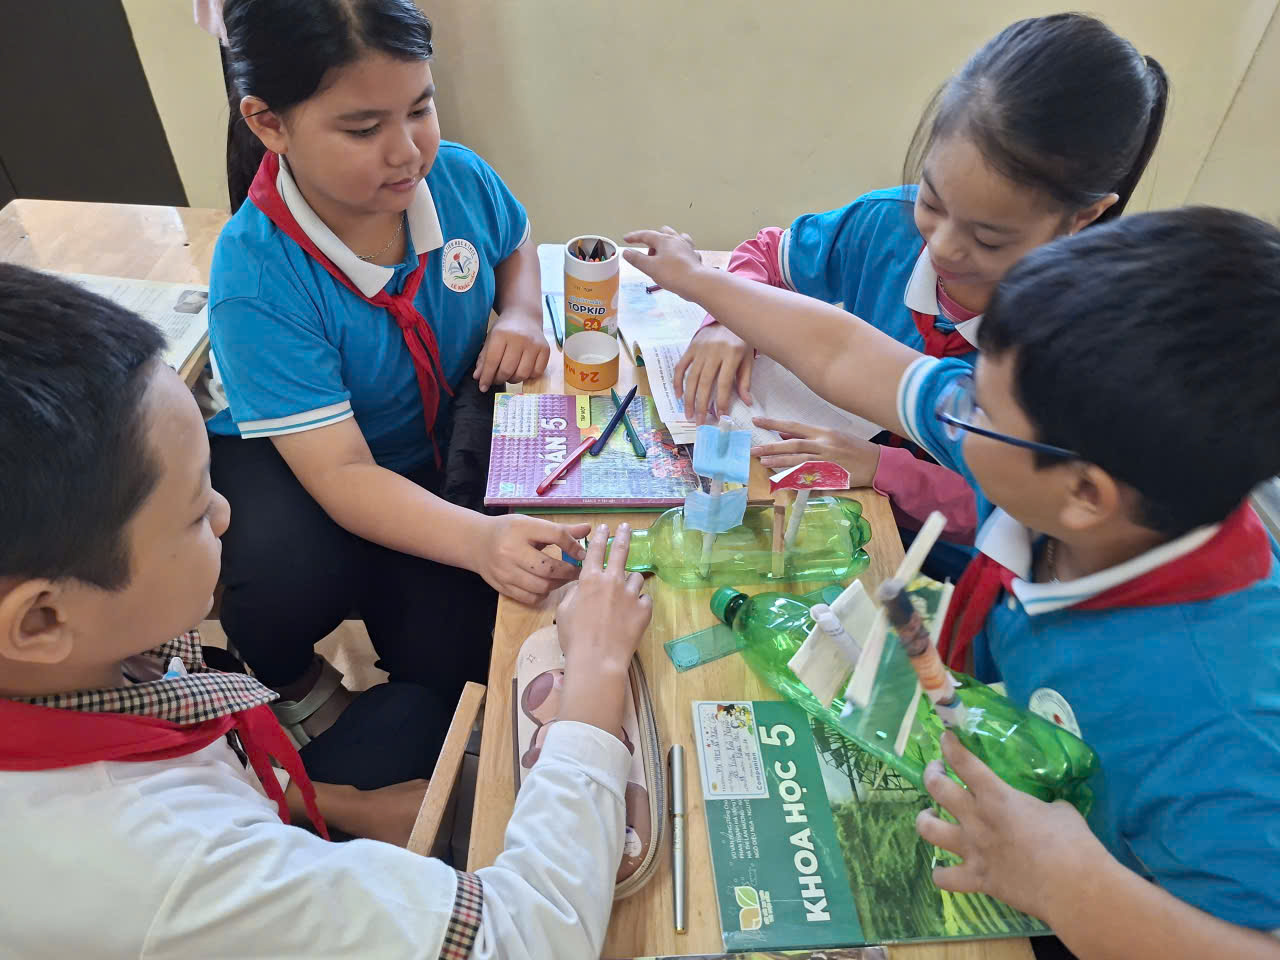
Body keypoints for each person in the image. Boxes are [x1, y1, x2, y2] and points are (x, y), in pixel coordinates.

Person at [624, 210, 1280, 959]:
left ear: (1084, 494)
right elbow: (845, 352)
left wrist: (1072, 885)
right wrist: (699, 281)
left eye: (977, 408)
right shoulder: (1067, 468)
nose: (950, 413)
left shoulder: (1224, 722)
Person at [0, 263, 652, 958]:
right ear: (41, 621)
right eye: (194, 511)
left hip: (257, 804)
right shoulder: (159, 865)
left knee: (410, 714)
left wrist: (353, 808)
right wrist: (594, 675)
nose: (225, 515)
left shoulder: (80, 657)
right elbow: (524, 938)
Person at [204, 0, 587, 764]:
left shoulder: (457, 176)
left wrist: (520, 313)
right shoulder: (255, 276)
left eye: (420, 108)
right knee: (281, 573)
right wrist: (479, 540)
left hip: (434, 442)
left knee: (462, 663)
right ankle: (291, 683)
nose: (407, 152)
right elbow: (343, 474)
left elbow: (514, 242)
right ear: (269, 123)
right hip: (320, 463)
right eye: (362, 128)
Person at [674, 14, 1166, 576]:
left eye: (988, 238)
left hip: (941, 565)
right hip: (824, 503)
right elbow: (768, 256)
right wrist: (731, 317)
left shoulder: (1074, 349)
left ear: (1085, 216)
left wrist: (883, 467)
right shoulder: (887, 225)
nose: (943, 248)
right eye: (933, 202)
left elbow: (1029, 512)